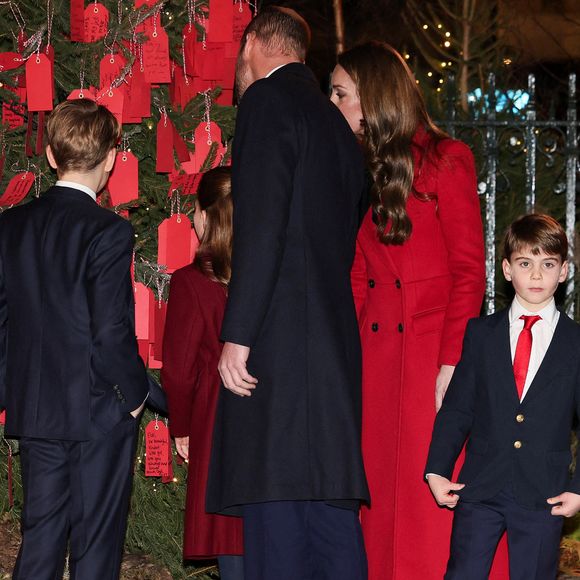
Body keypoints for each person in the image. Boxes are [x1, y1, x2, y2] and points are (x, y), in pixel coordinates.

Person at [330, 41, 509, 580]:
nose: (333, 104)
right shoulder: (360, 168)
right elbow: (357, 276)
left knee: (433, 505)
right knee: (379, 502)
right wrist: (349, 361)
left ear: (375, 95)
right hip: (377, 359)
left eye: (341, 93)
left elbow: (468, 271)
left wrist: (454, 364)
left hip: (433, 359)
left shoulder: (447, 159)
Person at [206, 6, 370, 580]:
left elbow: (263, 225)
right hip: (331, 346)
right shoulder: (338, 127)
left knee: (276, 511)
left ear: (252, 43)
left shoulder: (267, 103)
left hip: (277, 346)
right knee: (328, 515)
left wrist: (238, 334)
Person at [0, 99, 151, 580]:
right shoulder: (108, 231)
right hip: (97, 410)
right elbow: (110, 330)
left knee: (41, 541)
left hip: (38, 410)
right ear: (110, 158)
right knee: (95, 548)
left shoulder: (11, 226)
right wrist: (134, 396)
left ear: (49, 155)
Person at [426, 213, 580, 579]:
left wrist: (578, 490)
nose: (537, 275)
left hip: (544, 494)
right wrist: (436, 469)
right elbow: (457, 408)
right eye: (526, 263)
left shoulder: (575, 343)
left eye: (548, 264)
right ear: (508, 270)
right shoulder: (481, 334)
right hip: (479, 485)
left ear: (563, 271)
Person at [162, 167, 244, 580]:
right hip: (265, 418)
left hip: (215, 418)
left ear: (205, 215)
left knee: (229, 538)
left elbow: (177, 371)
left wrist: (182, 426)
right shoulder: (266, 276)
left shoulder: (191, 282)